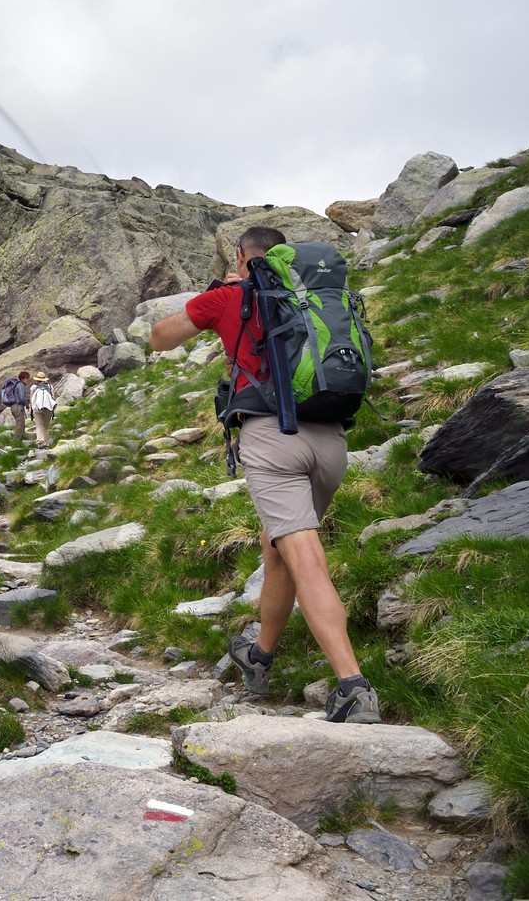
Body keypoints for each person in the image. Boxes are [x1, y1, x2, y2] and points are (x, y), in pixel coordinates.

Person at [149, 225, 380, 724]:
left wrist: (219, 292)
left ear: (240, 256)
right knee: (277, 550)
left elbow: (159, 338)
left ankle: (353, 686)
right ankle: (260, 656)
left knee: (306, 559)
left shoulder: (230, 295)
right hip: (331, 440)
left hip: (273, 440)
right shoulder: (314, 295)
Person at [0, 370, 31, 443]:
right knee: (20, 425)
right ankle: (16, 442)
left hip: (14, 407)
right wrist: (27, 405)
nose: (28, 380)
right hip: (18, 407)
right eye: (27, 379)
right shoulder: (21, 385)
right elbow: (22, 397)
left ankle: (20, 440)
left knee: (21, 424)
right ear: (23, 378)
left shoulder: (17, 385)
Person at [29, 371, 56, 448]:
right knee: (46, 426)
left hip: (37, 409)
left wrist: (31, 409)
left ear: (37, 379)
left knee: (39, 425)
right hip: (48, 408)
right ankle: (46, 443)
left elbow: (31, 399)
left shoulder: (33, 387)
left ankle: (40, 441)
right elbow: (53, 398)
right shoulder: (50, 387)